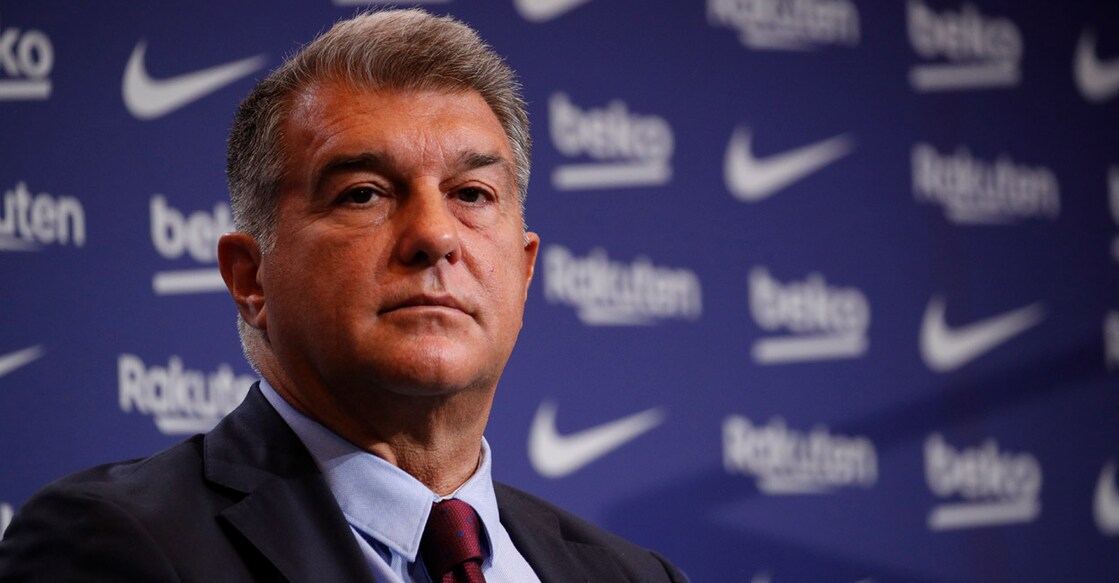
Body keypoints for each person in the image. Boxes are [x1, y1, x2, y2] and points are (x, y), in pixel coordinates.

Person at [0, 9, 687, 583]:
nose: (434, 235)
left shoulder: (632, 574)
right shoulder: (116, 544)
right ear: (250, 278)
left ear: (525, 268)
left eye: (472, 194)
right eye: (363, 193)